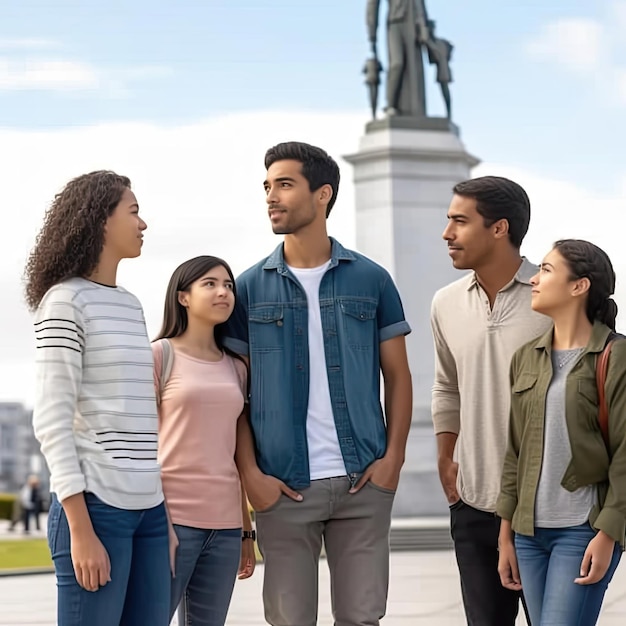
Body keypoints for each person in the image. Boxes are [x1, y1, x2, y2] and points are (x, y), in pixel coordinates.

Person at [224, 141, 413, 626]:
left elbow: (398, 375)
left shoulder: (371, 279)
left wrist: (393, 460)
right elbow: (235, 396)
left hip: (362, 482)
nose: (271, 196)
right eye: (267, 186)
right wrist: (252, 478)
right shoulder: (245, 289)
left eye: (284, 184)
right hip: (283, 486)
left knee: (362, 618)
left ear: (323, 194)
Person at [23, 170, 170, 626]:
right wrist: (80, 530)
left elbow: (141, 417)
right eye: (133, 212)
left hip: (149, 510)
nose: (143, 223)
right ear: (100, 221)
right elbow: (51, 419)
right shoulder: (66, 302)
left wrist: (160, 515)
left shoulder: (130, 304)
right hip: (96, 509)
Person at [430, 175, 552, 625]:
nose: (447, 234)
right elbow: (447, 386)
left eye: (460, 222)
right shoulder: (445, 303)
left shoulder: (552, 296)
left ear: (499, 228)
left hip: (545, 506)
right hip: (473, 500)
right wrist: (446, 457)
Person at [497, 239, 625, 626]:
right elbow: (514, 453)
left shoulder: (615, 357)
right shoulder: (526, 357)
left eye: (547, 270)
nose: (534, 279)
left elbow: (625, 454)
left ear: (579, 286)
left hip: (582, 531)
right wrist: (506, 536)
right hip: (528, 536)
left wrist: (608, 534)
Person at [152, 255, 256, 626]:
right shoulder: (158, 356)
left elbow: (233, 451)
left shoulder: (237, 367)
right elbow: (141, 446)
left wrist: (245, 529)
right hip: (171, 520)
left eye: (228, 285)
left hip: (225, 527)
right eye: (209, 284)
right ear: (183, 297)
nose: (223, 292)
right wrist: (156, 523)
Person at [366, 0, 430, 116]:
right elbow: (373, 4)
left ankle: (414, 110)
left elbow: (419, 3)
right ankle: (391, 105)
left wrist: (423, 25)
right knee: (397, 64)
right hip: (394, 24)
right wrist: (372, 34)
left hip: (411, 22)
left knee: (413, 68)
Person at [424, 20, 453, 119]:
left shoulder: (438, 43)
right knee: (445, 89)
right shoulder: (439, 42)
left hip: (443, 68)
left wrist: (427, 41)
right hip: (442, 67)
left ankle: (449, 113)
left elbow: (436, 53)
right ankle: (449, 112)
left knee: (445, 89)